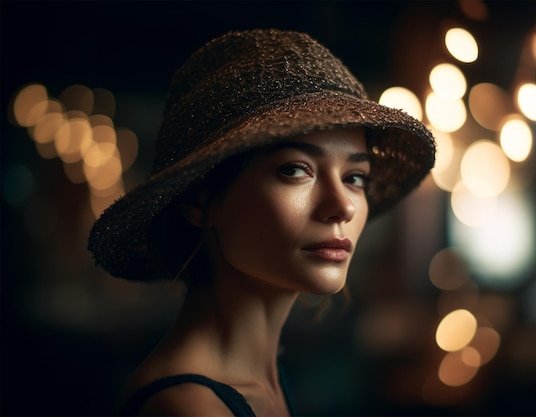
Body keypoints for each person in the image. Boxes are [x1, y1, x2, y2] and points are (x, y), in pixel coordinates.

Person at [88, 28, 435, 417]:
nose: (343, 207)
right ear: (199, 200)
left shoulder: (266, 381)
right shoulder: (188, 408)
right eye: (295, 170)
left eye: (354, 178)